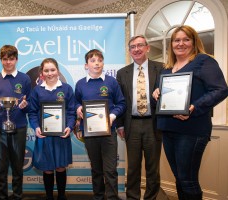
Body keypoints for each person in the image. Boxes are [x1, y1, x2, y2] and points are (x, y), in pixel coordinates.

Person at [152, 25, 228, 200]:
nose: (181, 44)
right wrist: (156, 92)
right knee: (179, 177)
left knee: (188, 180)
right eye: (177, 40)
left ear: (194, 42)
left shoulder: (203, 61)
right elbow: (161, 95)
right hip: (168, 129)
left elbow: (220, 89)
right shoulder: (166, 69)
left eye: (186, 39)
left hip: (192, 130)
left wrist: (193, 108)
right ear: (171, 44)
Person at [75, 49, 126, 200]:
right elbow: (75, 102)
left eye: (99, 60)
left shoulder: (112, 82)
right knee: (96, 169)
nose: (97, 63)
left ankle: (112, 198)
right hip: (89, 133)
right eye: (93, 60)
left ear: (103, 63)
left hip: (108, 132)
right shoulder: (80, 84)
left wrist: (112, 115)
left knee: (110, 170)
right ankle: (98, 196)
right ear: (86, 65)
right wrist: (77, 108)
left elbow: (121, 103)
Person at [116, 35, 163, 200]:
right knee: (133, 167)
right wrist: (119, 125)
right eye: (132, 47)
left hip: (154, 124)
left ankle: (151, 197)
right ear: (129, 51)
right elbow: (120, 101)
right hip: (132, 124)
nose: (136, 49)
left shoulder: (162, 68)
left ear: (147, 47)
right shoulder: (122, 73)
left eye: (140, 45)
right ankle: (132, 197)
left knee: (153, 168)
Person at [0, 45, 31, 200]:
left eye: (11, 59)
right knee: (0, 167)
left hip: (19, 127)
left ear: (16, 59)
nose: (8, 62)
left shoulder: (25, 78)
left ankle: (17, 195)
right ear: (1, 60)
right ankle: (1, 196)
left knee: (18, 166)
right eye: (5, 59)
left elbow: (30, 105)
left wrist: (25, 106)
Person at [28, 58, 76, 200]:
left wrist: (69, 126)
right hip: (44, 136)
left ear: (58, 71)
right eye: (46, 70)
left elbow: (71, 112)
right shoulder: (37, 90)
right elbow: (32, 112)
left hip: (62, 135)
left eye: (52, 70)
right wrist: (36, 127)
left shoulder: (66, 89)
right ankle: (49, 196)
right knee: (48, 168)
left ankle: (61, 196)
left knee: (61, 167)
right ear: (41, 73)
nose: (50, 73)